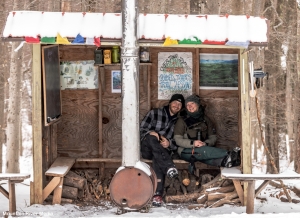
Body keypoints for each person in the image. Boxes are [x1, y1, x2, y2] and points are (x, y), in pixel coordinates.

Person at [173, 94, 240, 172]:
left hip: (202, 149)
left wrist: (206, 143)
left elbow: (213, 137)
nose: (190, 106)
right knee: (203, 151)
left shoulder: (205, 120)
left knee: (204, 155)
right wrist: (193, 143)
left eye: (192, 103)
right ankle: (229, 154)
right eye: (187, 104)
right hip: (185, 151)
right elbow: (177, 139)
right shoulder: (181, 120)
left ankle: (227, 162)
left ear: (197, 104)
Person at [140, 94, 185, 207]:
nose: (177, 106)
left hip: (162, 152)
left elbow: (178, 141)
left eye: (180, 104)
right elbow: (141, 129)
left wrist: (169, 143)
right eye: (175, 103)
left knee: (158, 157)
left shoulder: (179, 121)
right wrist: (150, 133)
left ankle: (157, 195)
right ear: (169, 103)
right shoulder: (155, 113)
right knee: (152, 139)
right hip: (147, 148)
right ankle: (169, 166)